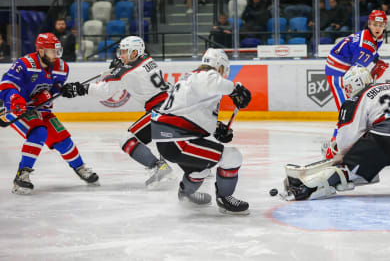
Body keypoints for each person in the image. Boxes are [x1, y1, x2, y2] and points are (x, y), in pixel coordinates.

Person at [282, 66, 390, 201]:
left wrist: (340, 153)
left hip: (381, 138)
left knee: (347, 168)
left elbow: (347, 139)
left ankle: (305, 188)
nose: (348, 91)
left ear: (356, 83)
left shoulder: (357, 98)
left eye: (348, 87)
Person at [60, 36, 173, 188]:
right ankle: (191, 168)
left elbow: (105, 91)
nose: (121, 55)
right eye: (122, 52)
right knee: (166, 142)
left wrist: (81, 88)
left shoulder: (127, 72)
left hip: (160, 111)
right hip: (171, 105)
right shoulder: (147, 59)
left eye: (125, 52)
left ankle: (158, 167)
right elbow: (126, 70)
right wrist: (117, 69)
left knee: (127, 140)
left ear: (135, 52)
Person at [151, 48, 251, 215]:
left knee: (200, 169)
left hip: (169, 140)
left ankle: (186, 195)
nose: (223, 74)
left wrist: (217, 128)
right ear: (218, 66)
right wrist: (236, 89)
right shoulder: (206, 75)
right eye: (223, 70)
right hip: (179, 141)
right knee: (232, 156)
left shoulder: (190, 79)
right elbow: (217, 83)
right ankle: (225, 199)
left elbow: (191, 112)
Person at [0, 33, 99, 195]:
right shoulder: (24, 64)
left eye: (57, 51)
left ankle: (80, 167)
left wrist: (63, 90)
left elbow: (54, 88)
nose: (56, 55)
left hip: (41, 109)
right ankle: (22, 175)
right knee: (39, 133)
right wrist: (15, 99)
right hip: (18, 108)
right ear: (40, 51)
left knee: (62, 138)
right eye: (52, 51)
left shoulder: (61, 68)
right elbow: (6, 84)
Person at [323, 10, 390, 158]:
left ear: (385, 26)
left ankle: (353, 144)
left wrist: (376, 61)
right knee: (346, 112)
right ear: (369, 24)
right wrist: (373, 74)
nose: (377, 28)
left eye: (380, 25)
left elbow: (371, 53)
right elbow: (356, 74)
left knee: (354, 110)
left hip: (345, 69)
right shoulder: (364, 45)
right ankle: (333, 148)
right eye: (374, 24)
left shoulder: (376, 38)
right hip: (338, 74)